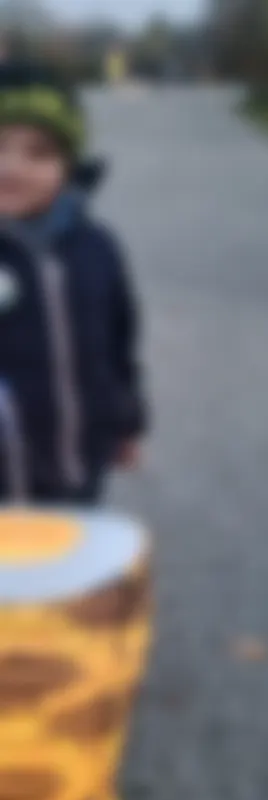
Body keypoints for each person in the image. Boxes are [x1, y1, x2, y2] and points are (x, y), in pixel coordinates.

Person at [0, 63, 146, 504]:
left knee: (66, 563)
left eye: (38, 153)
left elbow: (119, 345)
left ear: (68, 166)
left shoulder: (97, 248)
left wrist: (126, 422)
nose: (12, 167)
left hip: (77, 471)